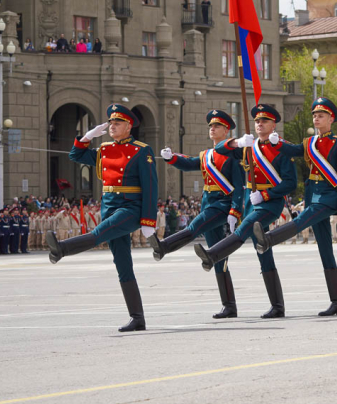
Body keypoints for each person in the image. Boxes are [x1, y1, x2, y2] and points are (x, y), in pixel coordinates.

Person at [47, 103, 158, 332]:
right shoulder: (105, 150)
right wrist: (87, 137)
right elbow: (75, 155)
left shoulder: (141, 150)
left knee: (99, 234)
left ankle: (62, 249)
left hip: (130, 208)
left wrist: (148, 220)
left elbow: (150, 187)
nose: (112, 126)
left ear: (128, 126)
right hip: (109, 206)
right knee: (123, 264)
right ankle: (137, 318)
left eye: (117, 123)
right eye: (110, 123)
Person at [252, 98, 337, 316]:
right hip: (313, 196)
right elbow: (295, 150)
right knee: (324, 249)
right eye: (315, 115)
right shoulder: (309, 143)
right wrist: (277, 143)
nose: (317, 118)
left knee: (301, 221)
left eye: (321, 115)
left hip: (328, 198)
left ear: (331, 119)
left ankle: (268, 239)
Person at [195, 104, 297, 319]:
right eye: (257, 121)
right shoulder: (248, 147)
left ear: (273, 125)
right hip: (251, 203)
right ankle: (277, 306)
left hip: (269, 203)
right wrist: (238, 142)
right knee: (263, 251)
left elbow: (290, 183)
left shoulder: (281, 148)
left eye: (265, 121)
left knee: (244, 228)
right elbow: (221, 149)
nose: (260, 124)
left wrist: (266, 194)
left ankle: (213, 254)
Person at [151, 109, 244, 318]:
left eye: (217, 126)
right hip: (208, 203)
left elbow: (239, 186)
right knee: (219, 255)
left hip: (222, 205)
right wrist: (171, 158)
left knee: (194, 227)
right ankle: (229, 306)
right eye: (210, 126)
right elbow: (189, 164)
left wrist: (235, 211)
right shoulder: (206, 155)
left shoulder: (233, 155)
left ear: (227, 130)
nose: (212, 129)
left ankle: (164, 246)